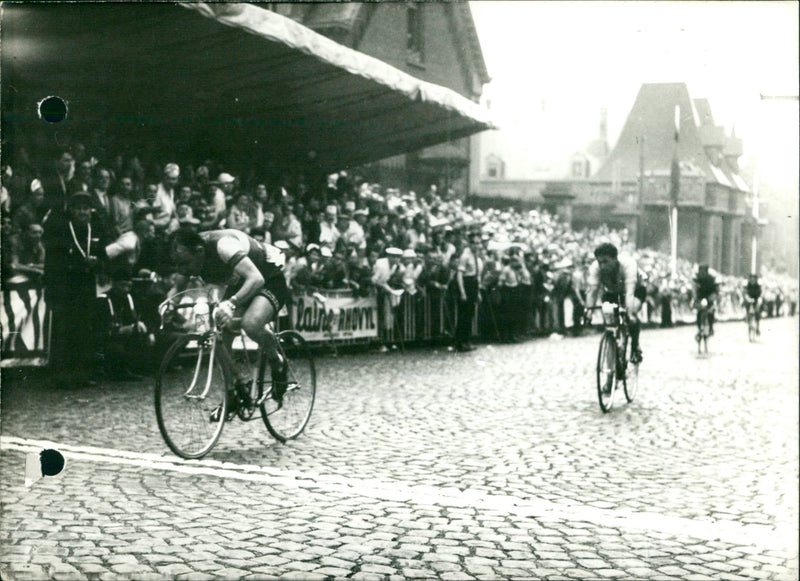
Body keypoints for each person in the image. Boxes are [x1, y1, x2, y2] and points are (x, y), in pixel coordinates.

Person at [167, 228, 290, 410]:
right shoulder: (190, 255)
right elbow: (177, 290)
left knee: (251, 323)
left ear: (200, 251)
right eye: (177, 264)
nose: (182, 270)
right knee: (217, 334)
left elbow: (256, 279)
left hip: (266, 275)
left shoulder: (224, 245)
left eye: (185, 263)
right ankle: (233, 390)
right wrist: (168, 303)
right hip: (239, 280)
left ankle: (277, 362)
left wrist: (231, 304)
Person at [584, 242, 643, 363]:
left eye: (605, 261)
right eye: (600, 262)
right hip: (612, 292)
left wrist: (630, 313)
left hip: (635, 290)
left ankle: (635, 346)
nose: (602, 266)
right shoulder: (595, 267)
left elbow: (629, 293)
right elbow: (593, 291)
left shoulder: (628, 264)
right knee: (609, 319)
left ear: (615, 259)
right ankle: (613, 348)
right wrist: (588, 311)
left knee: (631, 316)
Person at [454, 230, 483, 352]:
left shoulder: (477, 257)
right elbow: (459, 274)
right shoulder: (465, 256)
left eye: (477, 243)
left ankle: (467, 340)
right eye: (473, 243)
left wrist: (478, 291)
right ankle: (460, 342)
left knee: (470, 314)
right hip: (466, 283)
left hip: (473, 284)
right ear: (469, 243)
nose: (476, 245)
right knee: (463, 315)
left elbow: (477, 276)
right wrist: (462, 292)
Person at [693, 264, 719, 336]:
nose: (702, 273)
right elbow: (695, 289)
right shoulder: (696, 279)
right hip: (700, 296)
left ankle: (710, 327)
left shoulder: (711, 279)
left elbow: (715, 290)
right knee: (699, 311)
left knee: (711, 311)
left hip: (709, 295)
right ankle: (699, 328)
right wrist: (695, 298)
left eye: (703, 272)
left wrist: (713, 297)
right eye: (700, 272)